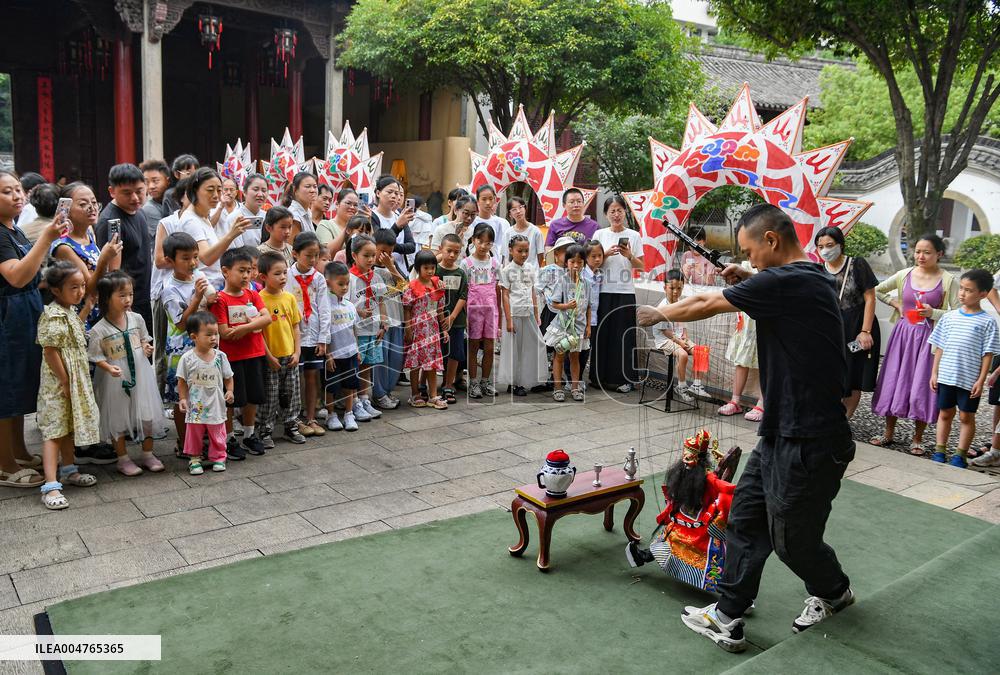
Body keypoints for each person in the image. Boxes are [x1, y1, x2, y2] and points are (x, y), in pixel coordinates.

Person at [636, 203, 856, 652]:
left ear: (772, 241)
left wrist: (660, 314)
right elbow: (771, 288)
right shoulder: (807, 276)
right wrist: (754, 278)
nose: (749, 260)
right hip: (779, 431)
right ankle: (727, 615)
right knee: (745, 518)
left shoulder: (786, 281)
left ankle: (834, 593)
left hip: (812, 438)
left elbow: (704, 302)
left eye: (751, 250)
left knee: (792, 541)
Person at [0, 171, 63, 488]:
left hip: (25, 312)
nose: (16, 195)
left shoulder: (14, 230)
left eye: (16, 189)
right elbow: (17, 276)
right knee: (5, 387)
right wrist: (47, 239)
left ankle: (19, 451)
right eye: (6, 191)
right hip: (8, 315)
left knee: (20, 386)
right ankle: (4, 464)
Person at [870, 234, 958, 455]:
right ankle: (888, 433)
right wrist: (896, 302)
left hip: (929, 340)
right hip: (902, 335)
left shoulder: (948, 280)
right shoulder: (904, 274)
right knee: (894, 380)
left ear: (939, 254)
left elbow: (958, 312)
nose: (920, 256)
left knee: (921, 385)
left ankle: (917, 438)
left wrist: (933, 312)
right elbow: (878, 290)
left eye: (927, 252)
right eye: (918, 251)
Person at [625, 429, 735, 591]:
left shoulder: (708, 477)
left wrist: (721, 509)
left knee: (710, 555)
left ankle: (731, 591)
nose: (685, 462)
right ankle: (644, 556)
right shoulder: (684, 473)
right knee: (668, 535)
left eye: (689, 458)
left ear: (699, 459)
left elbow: (726, 489)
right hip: (682, 519)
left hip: (702, 525)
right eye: (684, 457)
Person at [87, 271, 166, 476]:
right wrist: (108, 367)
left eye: (130, 294)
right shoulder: (99, 329)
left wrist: (146, 347)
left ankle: (148, 453)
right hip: (115, 379)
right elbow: (95, 356)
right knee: (118, 417)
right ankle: (122, 458)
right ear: (106, 298)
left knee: (146, 413)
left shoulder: (137, 318)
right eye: (121, 295)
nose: (128, 299)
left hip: (141, 372)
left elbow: (143, 339)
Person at [36, 261, 100, 510]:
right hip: (58, 383)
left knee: (68, 426)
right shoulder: (52, 315)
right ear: (55, 290)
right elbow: (50, 351)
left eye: (82, 286)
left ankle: (70, 470)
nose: (80, 291)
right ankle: (50, 486)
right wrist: (65, 380)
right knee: (54, 430)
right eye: (74, 287)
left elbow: (73, 333)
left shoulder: (69, 311)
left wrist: (86, 308)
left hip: (72, 380)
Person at [928, 269, 1000, 467]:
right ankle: (939, 450)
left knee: (966, 415)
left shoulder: (987, 322)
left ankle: (960, 454)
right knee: (944, 413)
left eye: (968, 290)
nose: (962, 294)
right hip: (946, 376)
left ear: (983, 294)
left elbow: (988, 354)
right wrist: (934, 373)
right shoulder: (949, 318)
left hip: (969, 380)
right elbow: (939, 347)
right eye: (961, 289)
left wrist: (981, 379)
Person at [210, 247, 272, 456]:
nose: (246, 275)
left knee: (253, 397)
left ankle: (249, 434)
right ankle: (228, 438)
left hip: (255, 354)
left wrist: (244, 328)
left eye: (249, 270)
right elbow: (225, 332)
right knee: (231, 399)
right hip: (231, 359)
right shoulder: (220, 300)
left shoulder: (252, 294)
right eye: (241, 270)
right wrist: (252, 325)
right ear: (225, 271)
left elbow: (267, 318)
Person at [814, 227, 880, 419]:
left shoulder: (856, 264)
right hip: (831, 328)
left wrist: (865, 331)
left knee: (852, 375)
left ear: (840, 245)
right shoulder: (818, 269)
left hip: (857, 326)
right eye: (820, 246)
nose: (825, 250)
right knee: (828, 372)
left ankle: (844, 420)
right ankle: (829, 415)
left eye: (829, 245)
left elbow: (870, 298)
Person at [161, 231, 217, 455]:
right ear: (169, 261)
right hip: (180, 351)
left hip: (204, 347)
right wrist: (196, 298)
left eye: (195, 256)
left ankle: (202, 439)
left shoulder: (199, 278)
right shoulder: (169, 289)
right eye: (185, 258)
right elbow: (182, 324)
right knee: (181, 397)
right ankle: (184, 444)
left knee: (203, 392)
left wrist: (211, 299)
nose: (193, 262)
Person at [590, 195, 643, 393]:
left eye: (619, 210)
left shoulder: (634, 236)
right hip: (603, 291)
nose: (616, 214)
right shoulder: (599, 234)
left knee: (624, 336)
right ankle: (599, 377)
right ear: (606, 214)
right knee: (602, 334)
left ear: (625, 212)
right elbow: (591, 263)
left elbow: (643, 266)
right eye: (612, 211)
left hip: (625, 292)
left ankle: (626, 379)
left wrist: (629, 255)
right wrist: (604, 255)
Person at [52, 181, 121, 327]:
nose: (92, 208)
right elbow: (89, 289)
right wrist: (104, 259)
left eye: (94, 202)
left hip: (100, 311)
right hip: (82, 317)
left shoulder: (89, 233)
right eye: (83, 204)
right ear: (66, 210)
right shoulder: (64, 246)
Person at [254, 251, 307, 444]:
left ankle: (291, 426)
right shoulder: (259, 299)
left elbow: (295, 326)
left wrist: (297, 351)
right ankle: (265, 430)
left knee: (292, 394)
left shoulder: (289, 298)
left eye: (285, 272)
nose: (283, 277)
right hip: (270, 358)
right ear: (263, 276)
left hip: (290, 356)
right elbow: (258, 333)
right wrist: (268, 357)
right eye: (277, 273)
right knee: (270, 395)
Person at [95, 163, 153, 331]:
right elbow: (114, 274)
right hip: (127, 305)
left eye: (139, 191)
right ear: (112, 191)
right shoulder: (111, 222)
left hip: (144, 297)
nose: (135, 198)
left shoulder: (140, 212)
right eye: (127, 193)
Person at [176, 311, 234, 475]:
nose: (214, 338)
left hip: (215, 402)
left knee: (217, 430)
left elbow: (229, 377)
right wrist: (182, 399)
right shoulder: (187, 359)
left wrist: (229, 390)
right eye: (208, 334)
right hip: (196, 404)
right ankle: (194, 458)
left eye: (215, 334)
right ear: (194, 337)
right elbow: (181, 381)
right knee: (194, 432)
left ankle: (219, 456)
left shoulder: (221, 357)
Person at [287, 232, 330, 436]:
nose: (313, 260)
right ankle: (294, 419)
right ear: (295, 254)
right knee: (295, 380)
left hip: (313, 334)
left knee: (312, 377)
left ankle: (311, 417)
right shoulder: (286, 276)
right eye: (308, 255)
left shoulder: (319, 278)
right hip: (293, 336)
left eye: (316, 255)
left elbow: (324, 308)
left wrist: (323, 338)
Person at [179, 168, 249, 290]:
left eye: (219, 190)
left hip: (214, 283)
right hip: (204, 288)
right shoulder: (191, 220)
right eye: (210, 190)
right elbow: (206, 258)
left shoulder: (203, 216)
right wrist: (231, 234)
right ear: (195, 190)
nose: (216, 195)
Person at [497, 234, 546, 395]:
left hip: (529, 313)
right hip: (514, 313)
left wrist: (537, 312)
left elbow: (532, 291)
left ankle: (532, 379)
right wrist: (508, 320)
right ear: (511, 250)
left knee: (535, 344)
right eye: (520, 251)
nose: (524, 254)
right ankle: (515, 382)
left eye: (526, 250)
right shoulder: (506, 270)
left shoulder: (530, 268)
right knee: (514, 349)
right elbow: (505, 295)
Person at [543, 244, 591, 402]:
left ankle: (575, 387)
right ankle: (558, 388)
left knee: (575, 357)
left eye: (580, 262)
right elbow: (554, 303)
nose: (576, 265)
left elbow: (589, 306)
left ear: (584, 263)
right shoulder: (562, 281)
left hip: (579, 328)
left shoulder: (586, 283)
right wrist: (566, 306)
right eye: (572, 262)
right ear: (566, 263)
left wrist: (589, 326)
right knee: (559, 356)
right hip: (563, 326)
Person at [403, 250, 449, 409]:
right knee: (415, 364)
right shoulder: (411, 286)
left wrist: (444, 329)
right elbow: (407, 309)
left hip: (433, 329)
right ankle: (415, 394)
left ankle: (433, 395)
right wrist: (408, 329)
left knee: (432, 363)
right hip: (418, 330)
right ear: (417, 268)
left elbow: (440, 309)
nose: (430, 271)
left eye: (432, 267)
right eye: (426, 268)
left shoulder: (438, 285)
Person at [348, 234, 386, 422]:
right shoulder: (350, 279)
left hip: (373, 328)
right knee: (356, 364)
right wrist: (358, 312)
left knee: (367, 365)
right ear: (354, 256)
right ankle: (353, 401)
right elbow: (344, 304)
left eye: (373, 255)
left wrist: (384, 322)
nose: (371, 259)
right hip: (357, 331)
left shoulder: (376, 275)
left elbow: (381, 300)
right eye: (366, 255)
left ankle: (364, 399)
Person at [461, 223, 502, 399]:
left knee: (490, 346)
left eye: (489, 242)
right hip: (473, 312)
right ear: (474, 240)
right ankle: (473, 382)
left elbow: (499, 291)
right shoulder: (466, 263)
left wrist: (499, 317)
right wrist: (464, 317)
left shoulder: (494, 263)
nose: (485, 246)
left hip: (491, 311)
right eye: (481, 241)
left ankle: (486, 381)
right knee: (473, 346)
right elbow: (463, 292)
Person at [372, 228, 409, 410]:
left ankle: (387, 391)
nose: (385, 255)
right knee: (381, 359)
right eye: (382, 251)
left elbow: (405, 287)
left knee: (396, 358)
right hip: (381, 323)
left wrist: (392, 267)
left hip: (397, 318)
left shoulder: (393, 267)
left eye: (390, 251)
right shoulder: (369, 269)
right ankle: (379, 394)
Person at [323, 261, 362, 432]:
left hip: (350, 352)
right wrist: (328, 355)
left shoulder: (350, 305)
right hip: (334, 355)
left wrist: (357, 349)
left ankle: (349, 413)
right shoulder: (325, 307)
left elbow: (354, 329)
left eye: (347, 283)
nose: (345, 287)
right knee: (331, 386)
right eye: (340, 284)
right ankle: (331, 415)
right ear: (328, 282)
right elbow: (325, 333)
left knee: (350, 384)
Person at [652, 270, 697, 404]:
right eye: (672, 288)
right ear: (665, 287)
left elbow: (683, 327)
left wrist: (686, 339)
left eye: (679, 288)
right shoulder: (663, 306)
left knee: (699, 352)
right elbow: (666, 331)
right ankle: (681, 386)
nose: (676, 292)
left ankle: (697, 385)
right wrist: (680, 343)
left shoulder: (680, 303)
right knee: (682, 355)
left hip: (678, 337)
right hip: (664, 339)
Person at [437, 233, 469, 405]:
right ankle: (428, 385)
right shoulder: (434, 270)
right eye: (448, 251)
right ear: (441, 249)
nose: (452, 255)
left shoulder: (460, 273)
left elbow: (463, 296)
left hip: (456, 321)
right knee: (437, 352)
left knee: (455, 353)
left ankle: (448, 384)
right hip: (436, 320)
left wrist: (453, 316)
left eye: (456, 252)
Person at [370, 175, 416, 263]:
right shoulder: (372, 216)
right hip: (380, 268)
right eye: (390, 192)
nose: (394, 196)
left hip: (401, 269)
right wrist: (397, 226)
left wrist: (391, 247)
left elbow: (411, 247)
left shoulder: (399, 216)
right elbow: (378, 244)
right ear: (378, 193)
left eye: (396, 193)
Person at [316, 187, 360, 258]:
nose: (352, 207)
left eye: (355, 205)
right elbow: (328, 254)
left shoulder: (358, 228)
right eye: (348, 203)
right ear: (337, 204)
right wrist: (347, 228)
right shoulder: (325, 225)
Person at [503, 196, 544, 267]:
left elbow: (540, 255)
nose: (518, 211)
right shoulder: (508, 233)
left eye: (520, 207)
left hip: (531, 273)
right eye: (514, 209)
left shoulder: (536, 231)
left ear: (525, 208)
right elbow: (506, 256)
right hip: (513, 274)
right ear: (510, 214)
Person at [230, 173, 268, 249]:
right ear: (244, 192)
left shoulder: (268, 217)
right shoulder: (234, 218)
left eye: (264, 190)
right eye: (255, 189)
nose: (260, 194)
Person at [471, 185, 510, 257]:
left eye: (490, 199)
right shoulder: (472, 222)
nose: (488, 203)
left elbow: (501, 246)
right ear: (478, 201)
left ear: (495, 200)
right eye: (484, 199)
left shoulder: (500, 223)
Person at [140, 159, 171, 233]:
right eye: (146, 182)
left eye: (155, 181)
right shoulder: (149, 209)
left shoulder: (174, 200)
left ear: (168, 181)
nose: (151, 186)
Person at [283, 171, 318, 237]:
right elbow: (292, 246)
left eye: (315, 186)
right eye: (308, 186)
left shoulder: (308, 211)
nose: (313, 190)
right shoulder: (294, 216)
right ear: (295, 189)